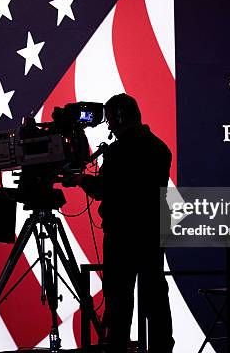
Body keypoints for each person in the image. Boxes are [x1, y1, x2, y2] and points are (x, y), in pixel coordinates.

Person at [77, 94, 175, 353]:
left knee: (119, 298)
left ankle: (117, 346)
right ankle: (162, 347)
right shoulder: (160, 148)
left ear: (120, 118)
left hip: (122, 236)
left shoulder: (120, 152)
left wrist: (80, 180)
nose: (108, 126)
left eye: (110, 120)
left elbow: (102, 189)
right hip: (152, 233)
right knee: (155, 295)